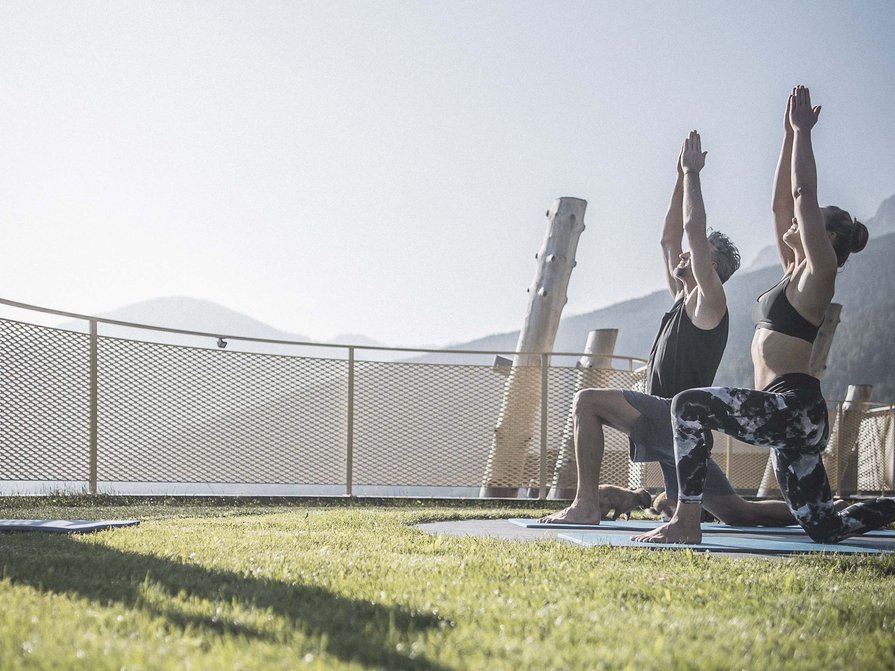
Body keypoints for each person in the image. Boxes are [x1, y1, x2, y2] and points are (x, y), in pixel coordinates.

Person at [634, 86, 894, 545]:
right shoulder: (793, 271)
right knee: (824, 526)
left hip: (793, 407)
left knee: (688, 405)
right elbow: (781, 205)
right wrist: (787, 137)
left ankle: (686, 522)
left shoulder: (819, 272)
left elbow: (802, 194)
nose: (795, 221)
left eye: (809, 220)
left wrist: (802, 132)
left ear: (829, 237)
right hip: (787, 416)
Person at [541, 130, 795, 526]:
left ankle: (586, 505)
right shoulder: (683, 297)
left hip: (671, 414)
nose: (685, 253)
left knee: (586, 402)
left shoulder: (709, 301)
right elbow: (668, 239)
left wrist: (693, 173)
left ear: (710, 266)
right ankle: (823, 512)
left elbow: (692, 230)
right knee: (736, 512)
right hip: (678, 427)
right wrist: (679, 176)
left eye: (697, 252)